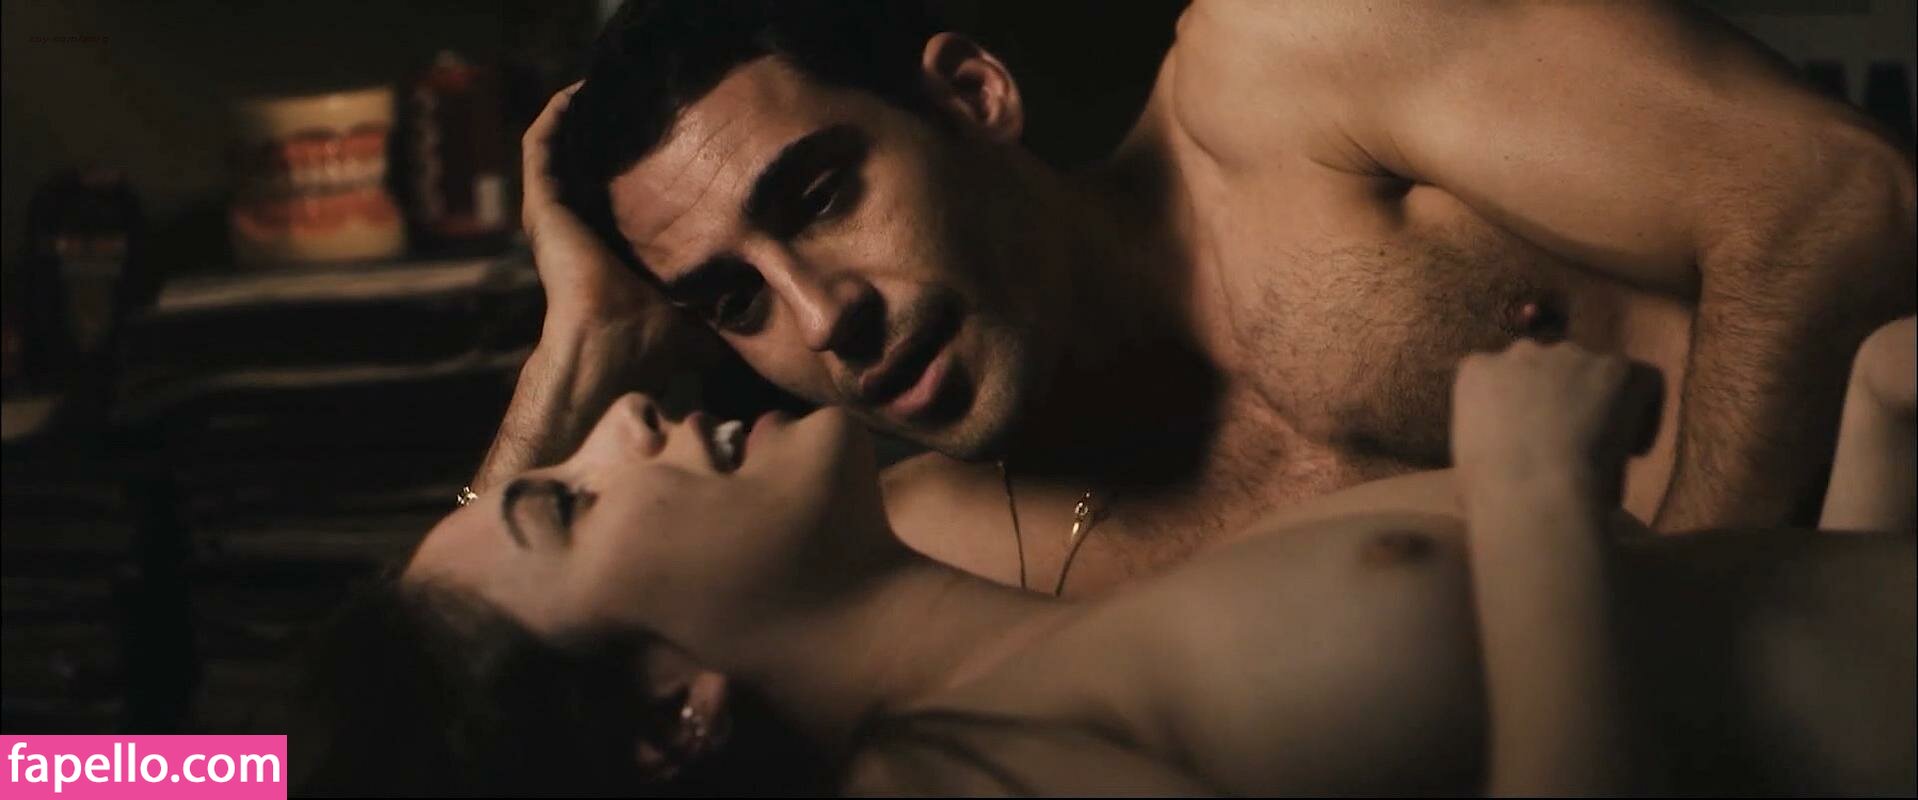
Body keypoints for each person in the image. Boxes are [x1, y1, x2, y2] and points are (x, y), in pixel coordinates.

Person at [473, 0, 1916, 600]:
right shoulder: (919, 549)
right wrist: (573, 358)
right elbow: (406, 739)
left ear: (971, 97)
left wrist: (1665, 649)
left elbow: (1837, 198)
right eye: (733, 303)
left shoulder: (1293, 58)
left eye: (818, 198)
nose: (817, 316)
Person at [295, 316, 1917, 796]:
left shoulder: (1070, 637)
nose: (621, 420)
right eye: (567, 507)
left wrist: (1879, 423)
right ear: (670, 712)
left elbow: (1739, 710)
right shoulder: (946, 783)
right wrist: (1537, 501)